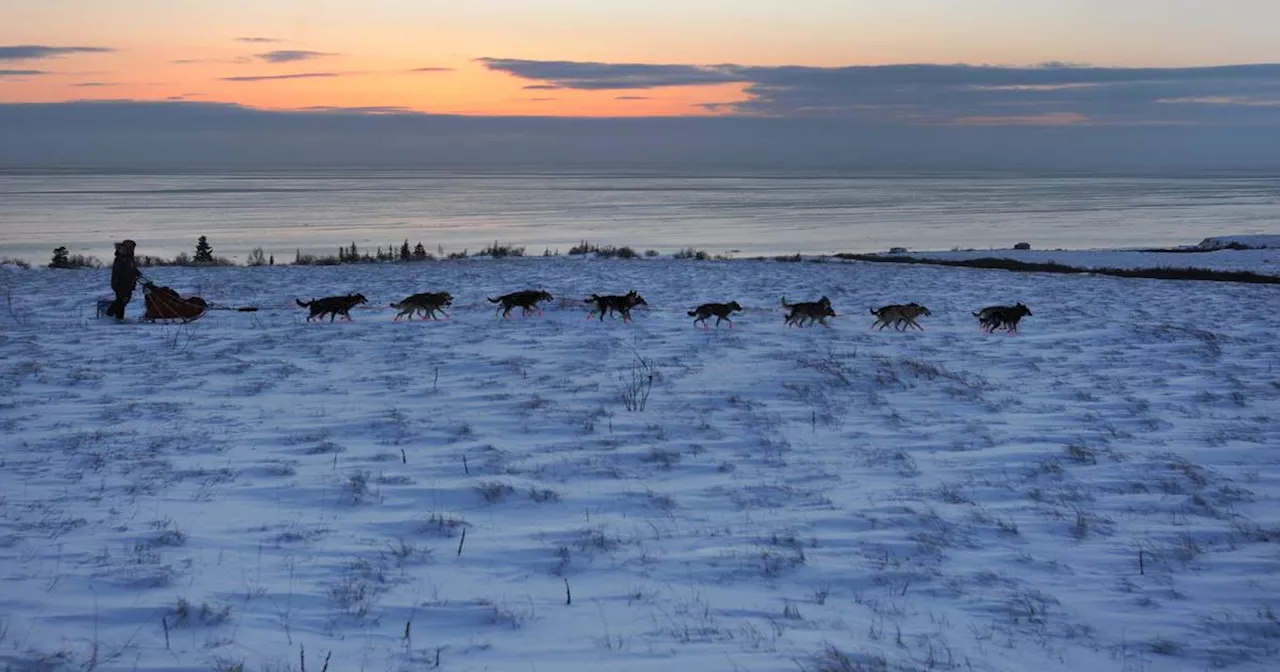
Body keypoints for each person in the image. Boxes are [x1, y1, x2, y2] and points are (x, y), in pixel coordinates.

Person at [106, 239, 140, 319]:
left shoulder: (129, 257)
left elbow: (132, 268)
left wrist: (137, 273)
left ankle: (119, 317)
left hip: (128, 283)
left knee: (123, 300)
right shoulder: (121, 258)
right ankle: (109, 313)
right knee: (122, 300)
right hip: (121, 283)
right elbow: (120, 271)